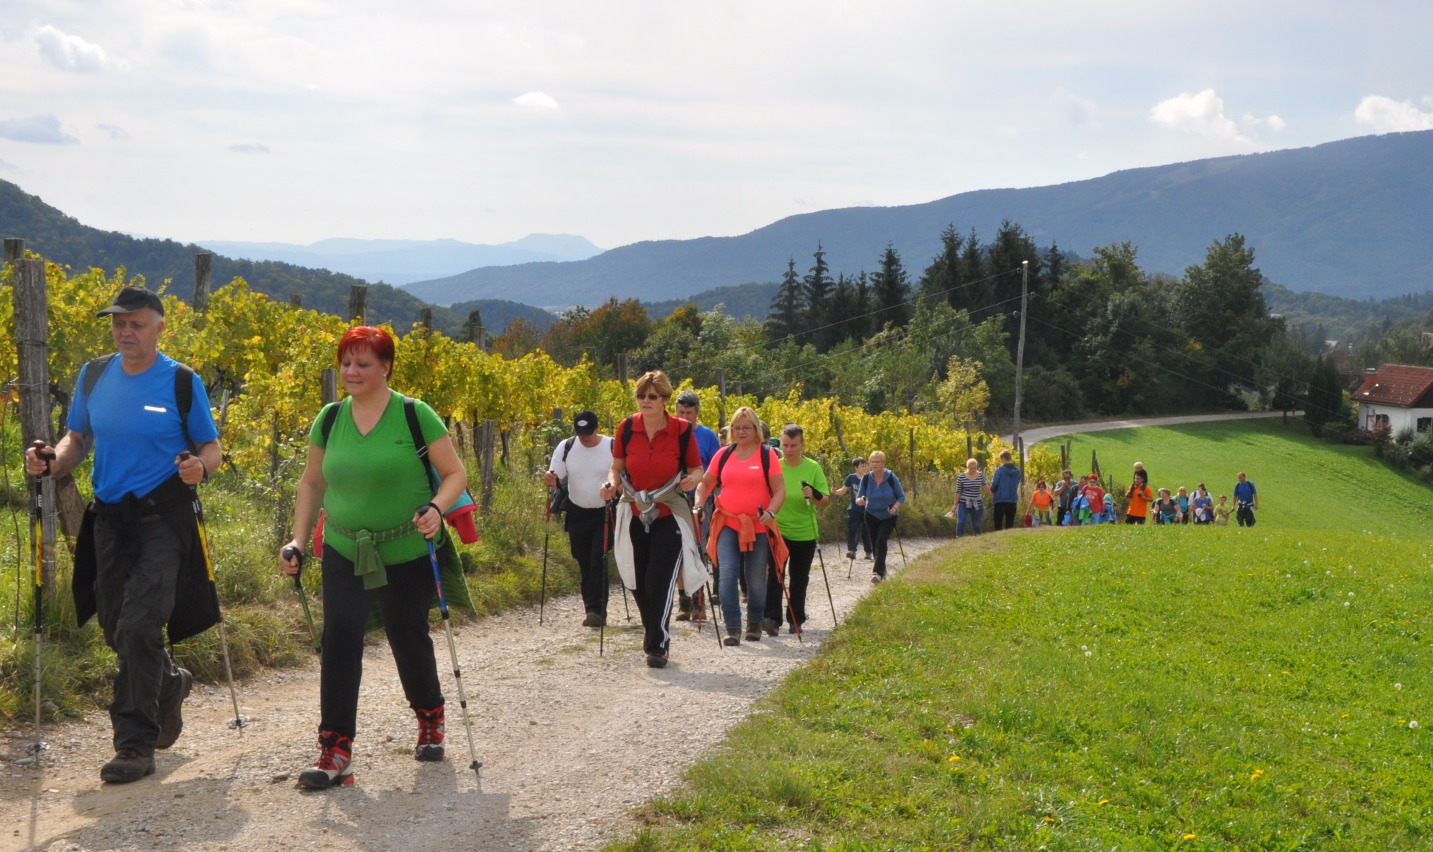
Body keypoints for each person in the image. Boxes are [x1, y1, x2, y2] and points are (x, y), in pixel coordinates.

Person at [25, 286, 223, 784]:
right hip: (110, 519)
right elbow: (78, 438)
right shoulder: (94, 375)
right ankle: (169, 685)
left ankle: (134, 746)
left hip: (164, 519)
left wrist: (202, 467)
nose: (125, 331)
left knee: (139, 626)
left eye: (136, 323)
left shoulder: (181, 381)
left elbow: (210, 445)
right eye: (118, 323)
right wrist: (52, 461)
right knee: (116, 627)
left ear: (159, 327)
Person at [279, 326, 468, 789]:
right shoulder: (329, 418)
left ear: (386, 367)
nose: (351, 372)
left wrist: (436, 509)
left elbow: (454, 473)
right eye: (346, 362)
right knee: (341, 640)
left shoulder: (414, 414)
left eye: (363, 363)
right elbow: (312, 483)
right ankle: (335, 747)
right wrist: (298, 541)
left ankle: (429, 717)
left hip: (406, 547)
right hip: (344, 547)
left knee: (407, 634)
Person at [602, 371, 705, 668]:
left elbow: (697, 469)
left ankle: (657, 646)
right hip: (634, 507)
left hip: (669, 509)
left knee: (658, 579)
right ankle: (653, 630)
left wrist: (690, 481)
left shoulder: (681, 430)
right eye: (641, 396)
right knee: (637, 579)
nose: (645, 401)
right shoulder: (626, 428)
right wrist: (611, 485)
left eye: (652, 396)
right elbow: (617, 468)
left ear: (665, 400)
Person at [693, 406, 785, 645]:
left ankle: (754, 622)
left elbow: (779, 491)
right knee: (727, 574)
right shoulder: (723, 454)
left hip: (758, 525)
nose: (741, 432)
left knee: (755, 579)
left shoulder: (767, 455)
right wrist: (698, 505)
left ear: (756, 429)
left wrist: (772, 512)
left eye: (747, 427)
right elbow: (705, 484)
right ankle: (732, 627)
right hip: (727, 522)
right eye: (737, 427)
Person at [544, 410, 615, 628]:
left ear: (598, 427)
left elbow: (621, 474)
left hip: (604, 513)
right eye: (580, 432)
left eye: (589, 432)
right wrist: (550, 478)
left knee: (597, 558)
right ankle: (591, 607)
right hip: (577, 513)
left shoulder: (611, 446)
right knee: (583, 560)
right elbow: (556, 475)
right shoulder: (567, 447)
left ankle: (596, 610)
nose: (584, 437)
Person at [767, 424, 829, 634]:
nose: (789, 449)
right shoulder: (775, 465)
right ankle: (773, 620)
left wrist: (813, 494)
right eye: (785, 444)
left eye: (793, 445)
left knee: (799, 578)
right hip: (779, 530)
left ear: (802, 445)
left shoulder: (813, 468)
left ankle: (796, 618)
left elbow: (825, 500)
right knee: (775, 575)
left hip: (805, 532)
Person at [673, 391, 721, 619]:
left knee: (697, 549)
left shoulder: (708, 436)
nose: (684, 417)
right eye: (680, 412)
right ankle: (683, 601)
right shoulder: (669, 433)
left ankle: (698, 601)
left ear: (696, 413)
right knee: (677, 551)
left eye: (689, 413)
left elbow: (714, 471)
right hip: (672, 499)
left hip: (700, 501)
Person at [856, 450, 904, 583]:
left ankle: (877, 572)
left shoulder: (890, 477)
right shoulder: (866, 479)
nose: (875, 464)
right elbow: (859, 497)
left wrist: (895, 507)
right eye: (872, 461)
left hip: (888, 515)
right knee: (875, 543)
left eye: (878, 461)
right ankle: (881, 569)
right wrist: (860, 500)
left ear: (883, 463)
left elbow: (901, 496)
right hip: (871, 514)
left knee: (881, 540)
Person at [833, 457, 874, 560]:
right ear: (855, 467)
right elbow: (843, 490)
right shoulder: (851, 478)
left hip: (867, 509)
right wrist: (835, 492)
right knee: (853, 529)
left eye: (865, 466)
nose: (864, 468)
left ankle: (868, 552)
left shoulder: (870, 478)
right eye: (862, 466)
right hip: (854, 508)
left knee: (866, 531)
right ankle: (851, 551)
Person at [946, 457, 990, 537]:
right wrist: (955, 505)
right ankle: (959, 538)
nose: (973, 470)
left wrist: (992, 495)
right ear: (967, 467)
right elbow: (958, 492)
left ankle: (979, 539)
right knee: (961, 522)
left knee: (976, 524)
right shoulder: (961, 477)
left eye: (975, 468)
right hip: (963, 503)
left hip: (977, 503)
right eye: (971, 468)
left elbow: (986, 487)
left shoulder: (980, 476)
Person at [989, 450, 1023, 531]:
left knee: (998, 524)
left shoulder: (1000, 470)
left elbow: (995, 483)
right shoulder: (1018, 472)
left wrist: (992, 491)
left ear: (1004, 458)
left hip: (1000, 499)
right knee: (1009, 525)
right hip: (1012, 499)